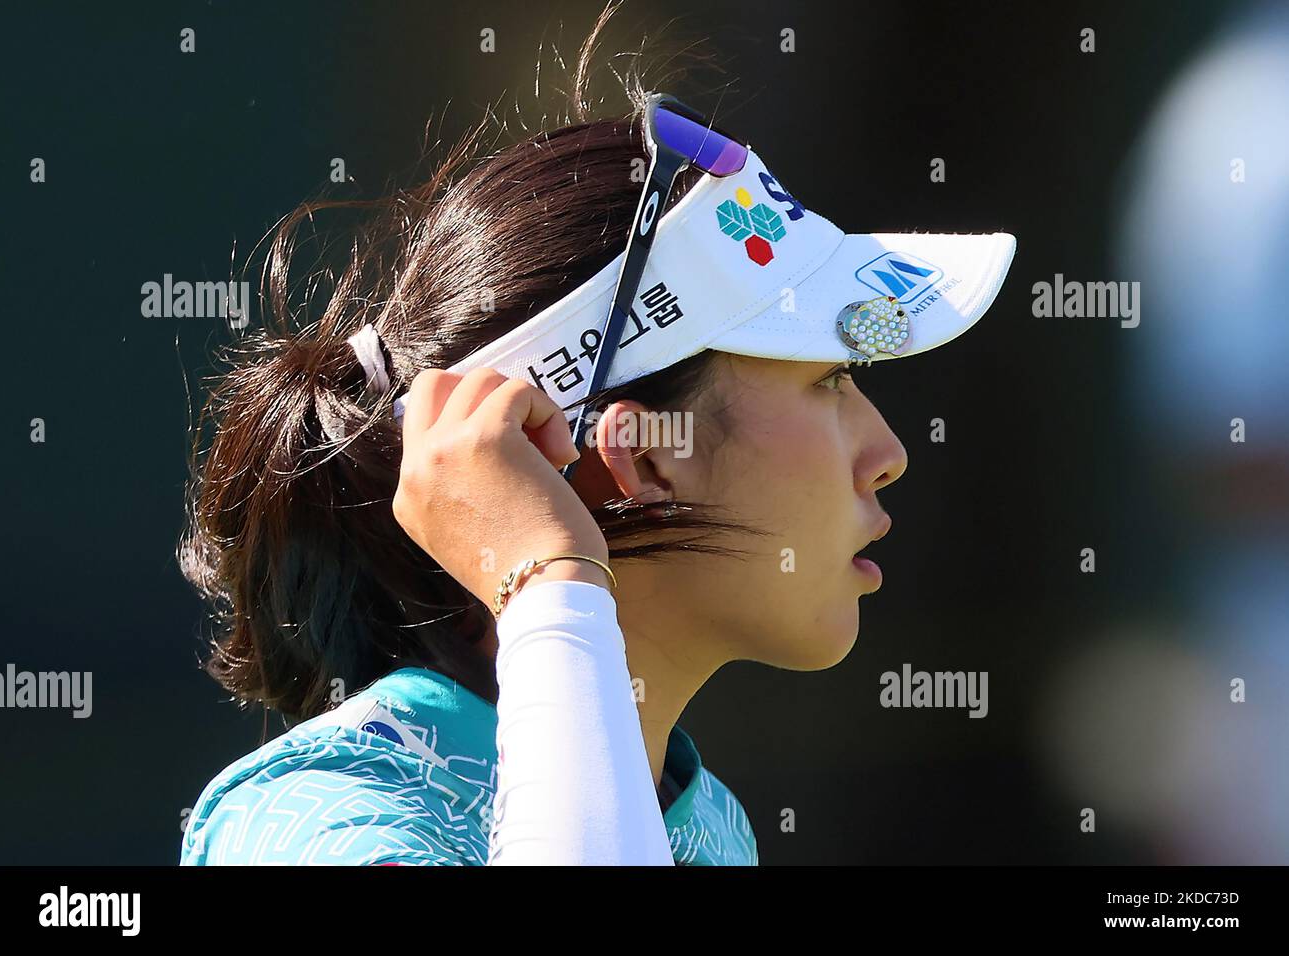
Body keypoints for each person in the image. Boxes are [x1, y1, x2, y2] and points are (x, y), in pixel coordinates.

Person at [177, 24, 1016, 866]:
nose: (889, 450)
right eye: (826, 380)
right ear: (646, 454)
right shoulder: (323, 827)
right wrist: (549, 572)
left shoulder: (709, 824)